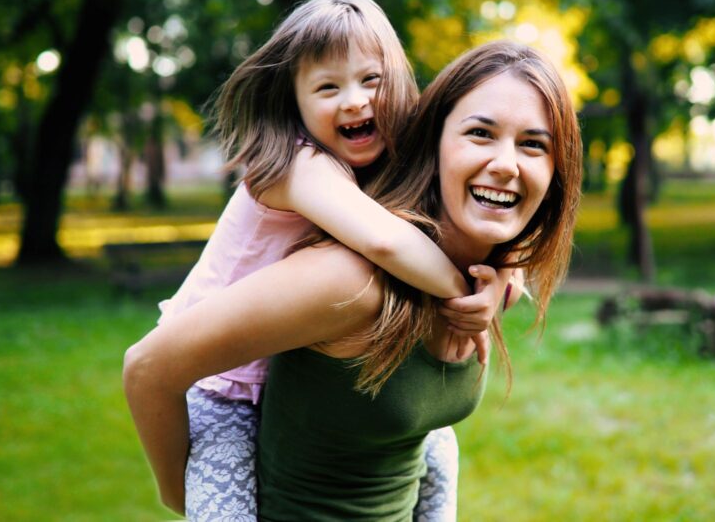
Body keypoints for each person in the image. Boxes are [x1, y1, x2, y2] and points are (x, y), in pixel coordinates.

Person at [124, 40, 581, 520]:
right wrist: (178, 492)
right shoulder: (352, 282)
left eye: (533, 144)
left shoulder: (487, 280)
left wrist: (498, 282)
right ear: (434, 141)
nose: (507, 164)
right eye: (480, 133)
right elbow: (148, 368)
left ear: (556, 172)